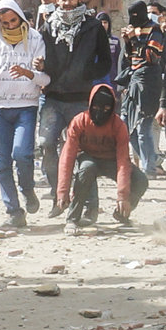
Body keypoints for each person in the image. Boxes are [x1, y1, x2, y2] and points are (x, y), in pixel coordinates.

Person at [38, 0, 114, 194]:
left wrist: (86, 73)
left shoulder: (92, 26)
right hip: (53, 97)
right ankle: (58, 193)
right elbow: (42, 59)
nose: (67, 3)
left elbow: (106, 61)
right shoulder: (48, 27)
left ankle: (88, 202)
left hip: (80, 98)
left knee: (85, 151)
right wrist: (42, 66)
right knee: (46, 143)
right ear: (57, 0)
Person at [0, 0, 47, 226]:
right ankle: (13, 211)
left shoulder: (35, 39)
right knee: (1, 162)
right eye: (4, 23)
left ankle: (27, 189)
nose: (10, 26)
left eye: (13, 21)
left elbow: (45, 77)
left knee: (22, 154)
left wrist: (30, 73)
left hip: (26, 105)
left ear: (20, 17)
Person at [54, 82, 138, 227]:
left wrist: (122, 196)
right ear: (90, 105)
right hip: (88, 157)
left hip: (111, 161)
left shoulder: (118, 126)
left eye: (106, 109)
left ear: (112, 108)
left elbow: (123, 161)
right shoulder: (79, 122)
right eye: (96, 108)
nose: (100, 113)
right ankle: (73, 218)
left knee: (140, 180)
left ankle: (121, 213)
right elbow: (67, 157)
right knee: (87, 168)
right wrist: (62, 191)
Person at [117, 0, 166, 182]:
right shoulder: (135, 29)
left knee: (144, 127)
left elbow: (152, 57)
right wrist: (127, 41)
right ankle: (152, 160)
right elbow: (130, 57)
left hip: (148, 82)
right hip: (133, 81)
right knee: (126, 128)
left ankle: (149, 169)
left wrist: (133, 38)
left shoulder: (155, 30)